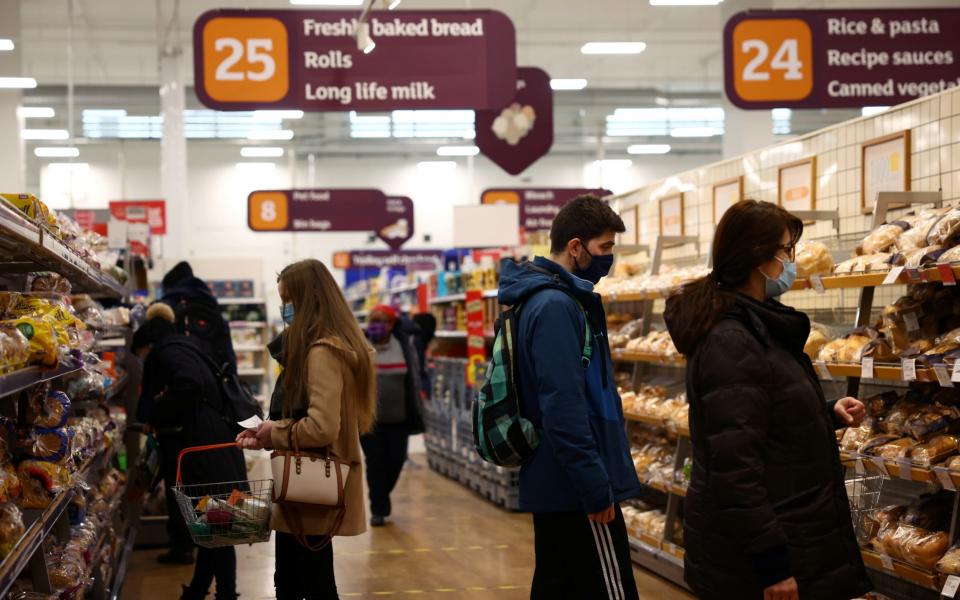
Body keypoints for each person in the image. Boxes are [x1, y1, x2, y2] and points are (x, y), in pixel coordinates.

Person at [663, 200, 872, 600]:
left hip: (791, 531)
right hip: (759, 556)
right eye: (786, 250)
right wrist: (773, 564)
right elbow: (735, 466)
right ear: (760, 258)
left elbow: (759, 414)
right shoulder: (731, 340)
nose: (790, 261)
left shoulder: (758, 323)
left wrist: (825, 413)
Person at [497, 195, 643, 600]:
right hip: (576, 484)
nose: (608, 259)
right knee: (612, 591)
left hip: (557, 479)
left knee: (557, 584)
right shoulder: (557, 306)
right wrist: (594, 484)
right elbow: (563, 403)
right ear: (575, 247)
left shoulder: (544, 299)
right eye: (605, 248)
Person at [237, 259, 376, 600]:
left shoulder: (322, 351)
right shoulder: (323, 347)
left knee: (305, 583)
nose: (286, 309)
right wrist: (267, 432)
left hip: (310, 486)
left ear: (311, 298)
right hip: (306, 484)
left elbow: (322, 427)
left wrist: (273, 433)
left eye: (290, 300)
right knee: (301, 579)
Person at [133, 303, 247, 600]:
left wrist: (157, 414)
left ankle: (227, 594)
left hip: (203, 450)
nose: (143, 360)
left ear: (147, 346)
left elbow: (189, 385)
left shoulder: (168, 354)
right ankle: (198, 590)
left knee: (218, 529)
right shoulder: (190, 347)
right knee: (211, 528)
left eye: (141, 355)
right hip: (217, 445)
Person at [361, 305, 425, 527]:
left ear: (391, 324)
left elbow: (414, 378)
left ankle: (381, 495)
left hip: (399, 419)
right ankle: (378, 508)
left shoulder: (403, 346)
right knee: (375, 463)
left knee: (396, 462)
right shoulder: (361, 347)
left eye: (381, 321)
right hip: (370, 422)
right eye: (372, 321)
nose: (376, 326)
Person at [160, 261, 238, 369]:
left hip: (177, 376)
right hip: (211, 377)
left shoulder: (165, 309)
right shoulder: (211, 307)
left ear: (170, 288)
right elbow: (229, 358)